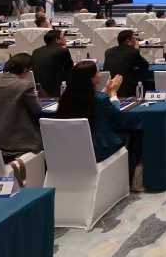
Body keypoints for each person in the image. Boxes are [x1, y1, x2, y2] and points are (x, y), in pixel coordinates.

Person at [57, 61, 143, 190]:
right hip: (98, 149)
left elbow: (93, 102)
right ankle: (132, 179)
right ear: (90, 79)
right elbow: (116, 115)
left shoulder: (65, 98)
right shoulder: (100, 99)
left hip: (71, 149)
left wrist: (106, 89)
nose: (100, 73)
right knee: (135, 133)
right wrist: (113, 93)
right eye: (97, 71)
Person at [0, 53, 42, 161]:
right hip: (23, 143)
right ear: (26, 69)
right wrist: (35, 98)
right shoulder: (25, 85)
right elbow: (37, 111)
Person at [103, 29, 149, 98]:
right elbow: (145, 66)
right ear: (128, 42)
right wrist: (136, 50)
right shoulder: (133, 52)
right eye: (134, 39)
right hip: (125, 88)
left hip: (108, 85)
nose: (136, 41)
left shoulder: (108, 51)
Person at [31, 30, 73, 98]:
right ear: (57, 40)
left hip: (37, 86)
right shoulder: (63, 51)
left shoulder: (36, 51)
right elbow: (69, 67)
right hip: (54, 87)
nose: (65, 39)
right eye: (63, 37)